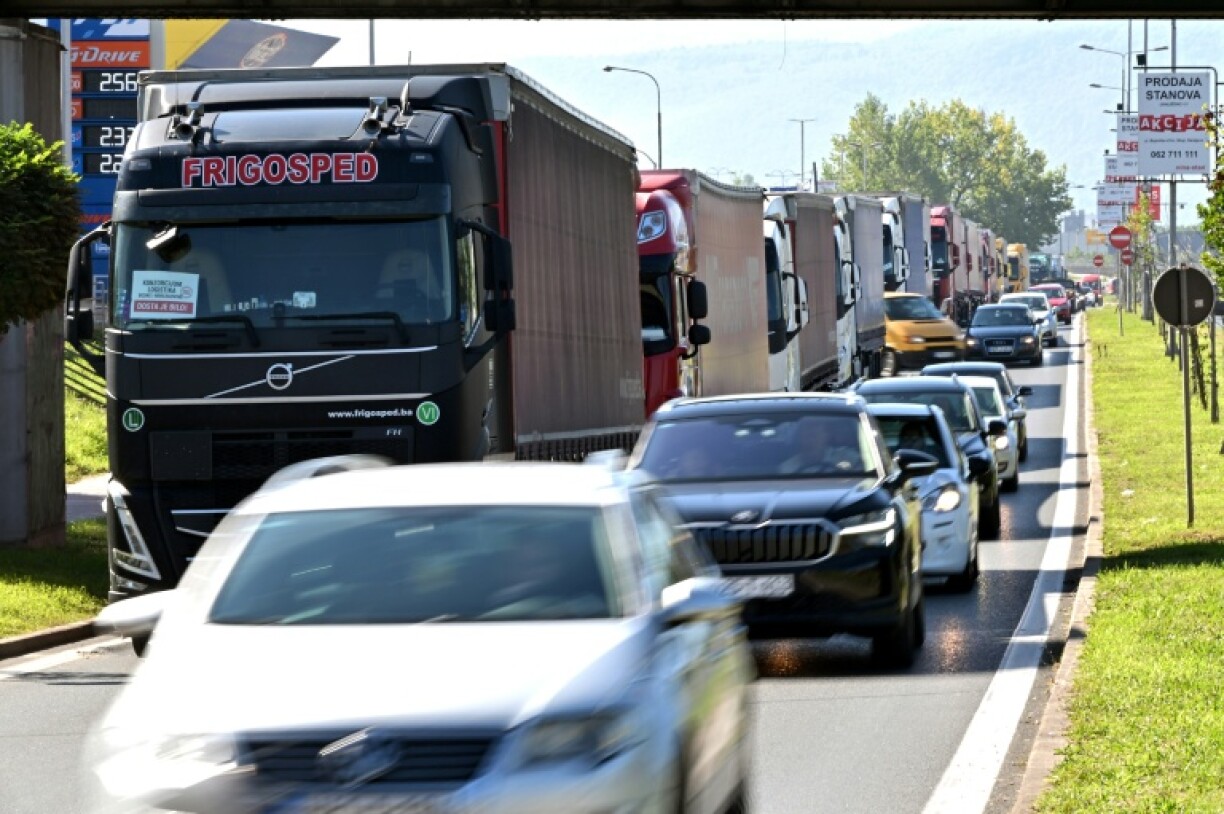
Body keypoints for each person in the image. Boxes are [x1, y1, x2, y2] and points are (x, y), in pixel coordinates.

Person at [779, 416, 863, 475]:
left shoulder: (848, 457)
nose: (811, 440)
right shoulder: (787, 468)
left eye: (815, 435)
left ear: (826, 436)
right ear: (800, 437)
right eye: (807, 435)